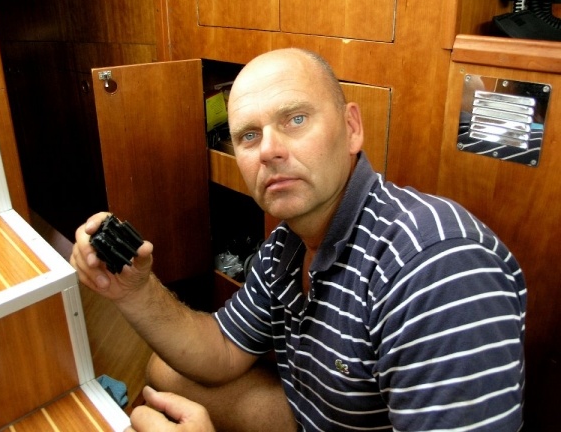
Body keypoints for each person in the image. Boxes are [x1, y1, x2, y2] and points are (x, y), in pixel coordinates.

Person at [71, 48, 527, 432]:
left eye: (295, 118)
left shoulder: (435, 267)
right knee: (162, 370)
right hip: (315, 415)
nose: (269, 150)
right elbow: (222, 351)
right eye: (249, 135)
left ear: (352, 129)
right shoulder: (284, 247)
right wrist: (133, 290)